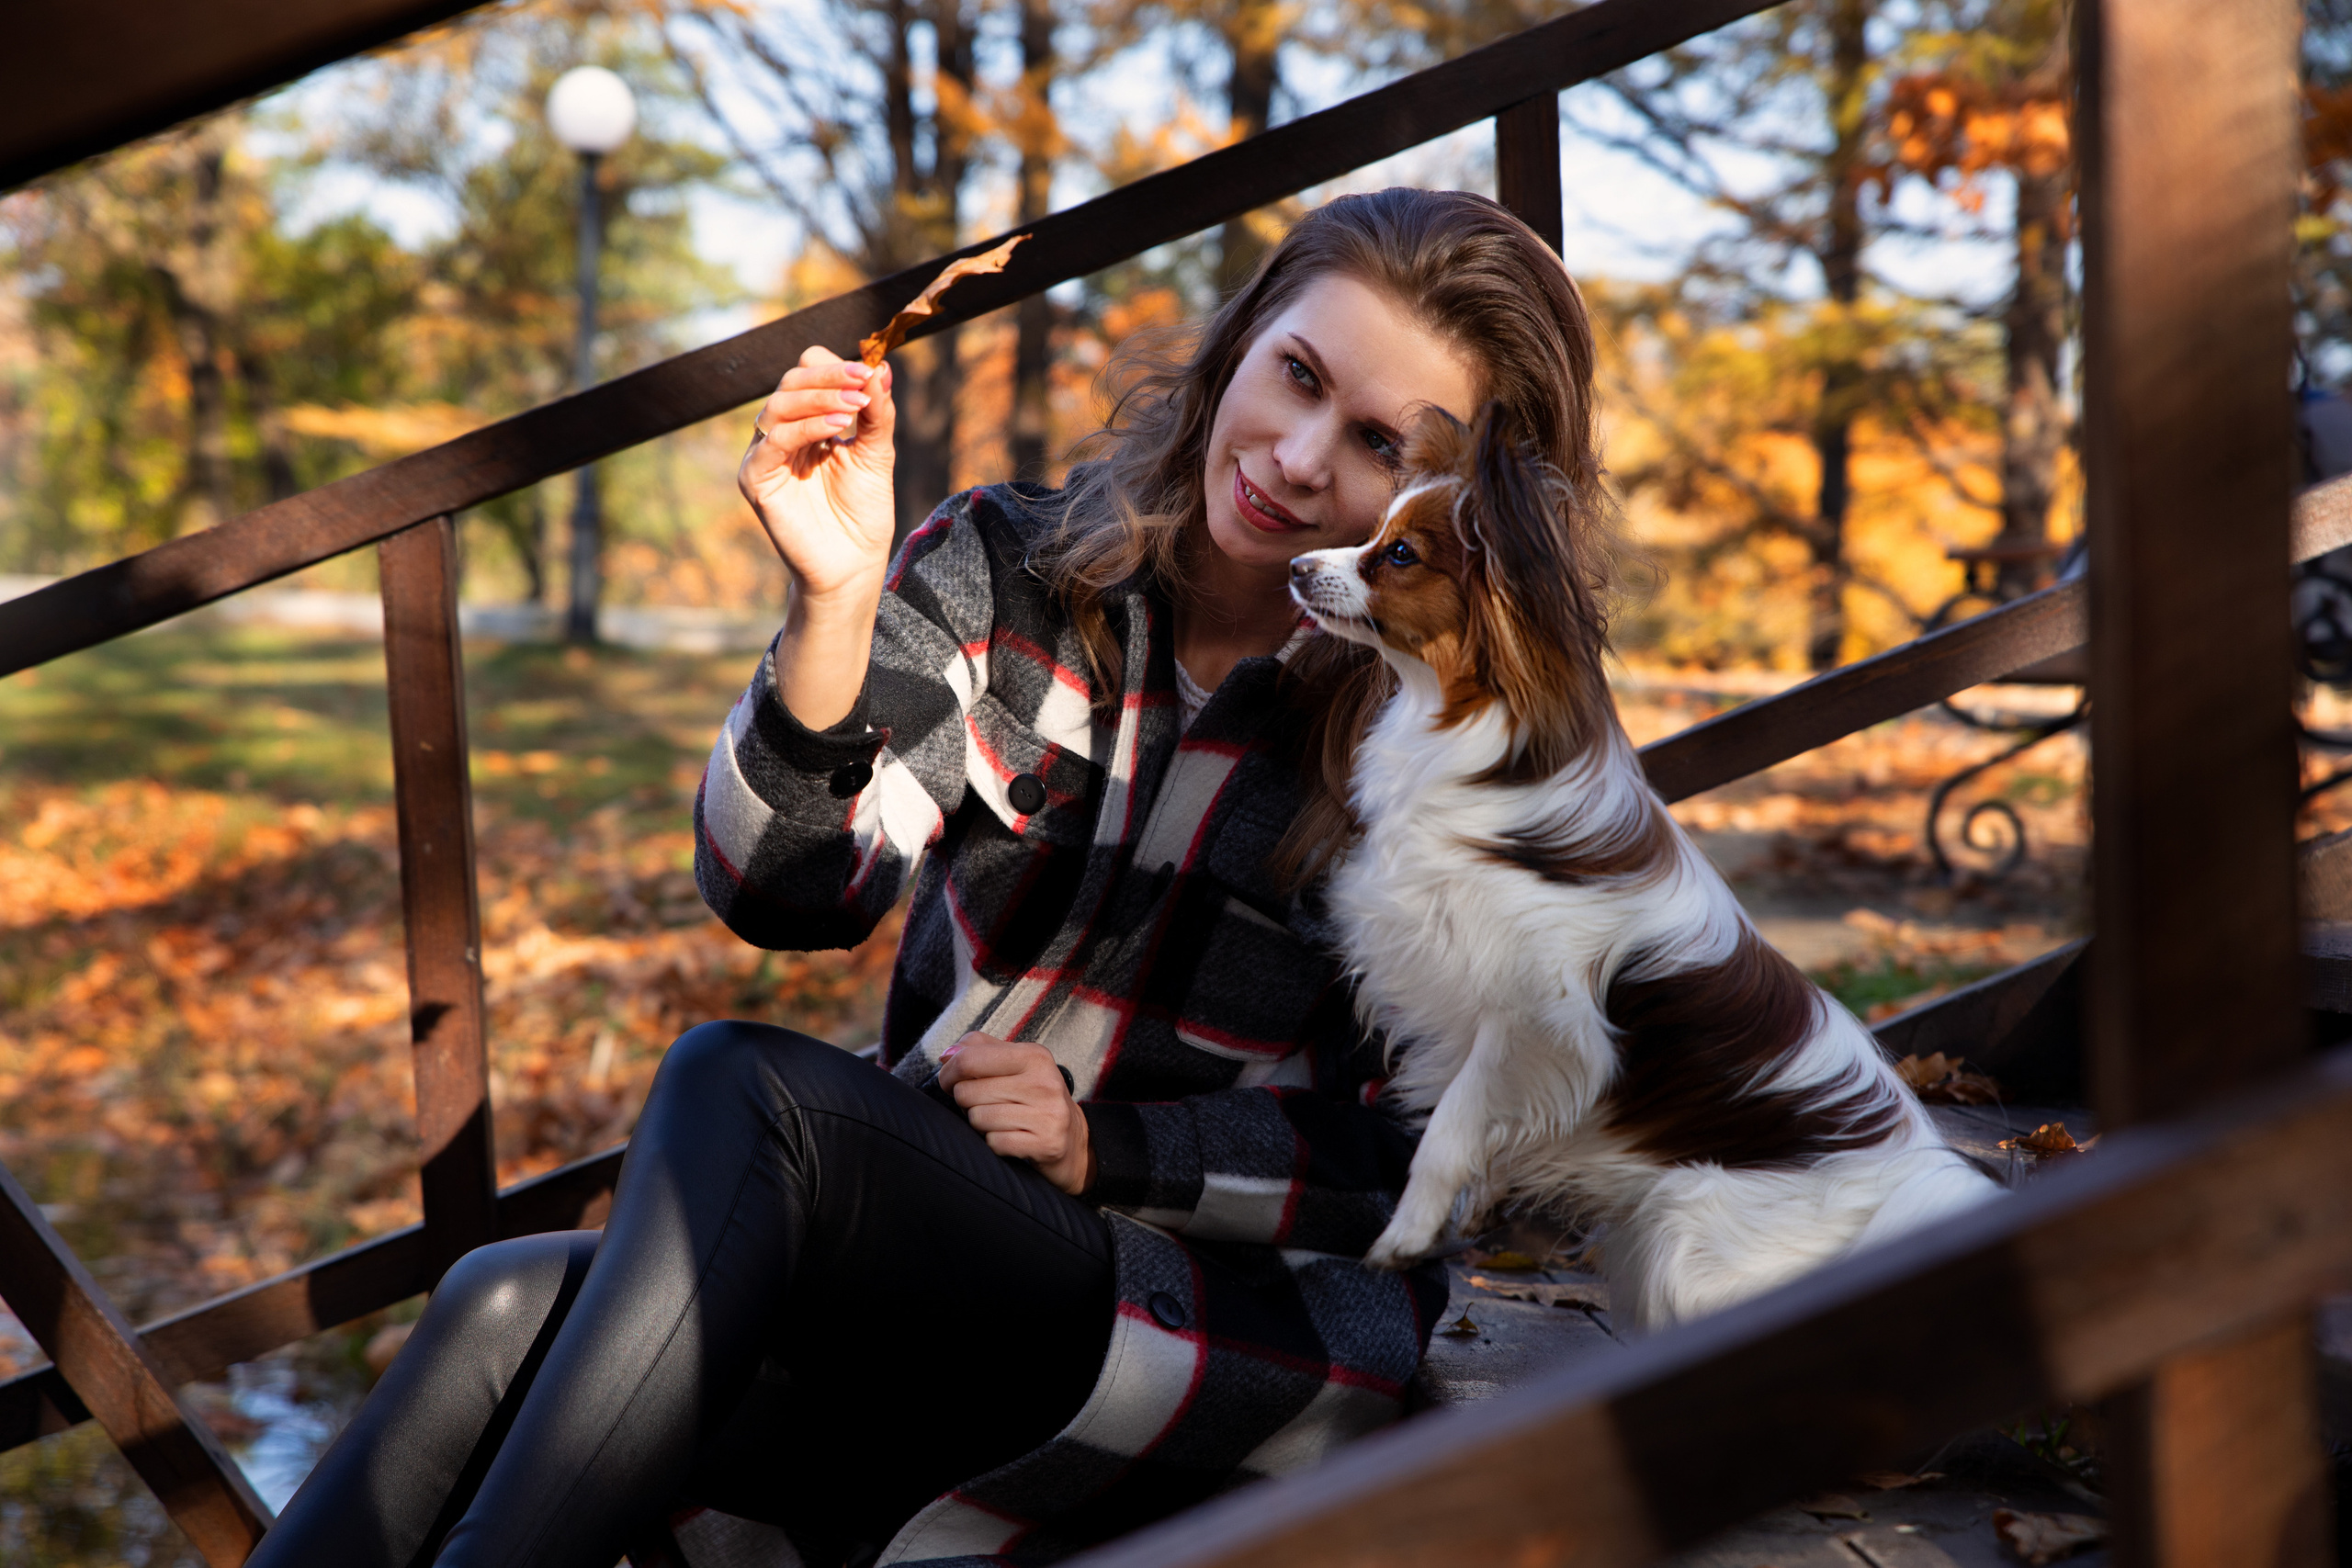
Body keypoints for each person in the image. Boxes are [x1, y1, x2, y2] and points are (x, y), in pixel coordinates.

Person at [248, 186, 1607, 1568]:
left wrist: (1114, 1146)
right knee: (499, 1307)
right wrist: (831, 611)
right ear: (1243, 339)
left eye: (1379, 442)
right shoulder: (1014, 566)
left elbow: (1439, 1157)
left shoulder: (1450, 740)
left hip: (1227, 1332)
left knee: (746, 1094)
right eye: (1298, 376)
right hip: (937, 1253)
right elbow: (783, 891)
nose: (1301, 459)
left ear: (1467, 506)